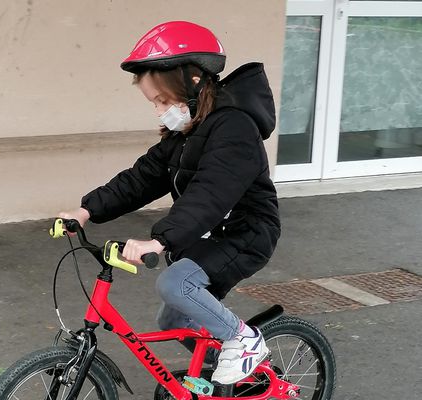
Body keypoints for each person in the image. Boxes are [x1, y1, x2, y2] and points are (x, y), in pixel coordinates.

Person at [59, 20, 281, 385]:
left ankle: (243, 341)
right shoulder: (188, 131)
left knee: (175, 285)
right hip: (210, 234)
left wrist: (160, 240)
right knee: (174, 320)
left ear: (193, 83)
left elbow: (209, 194)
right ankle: (239, 379)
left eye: (163, 100)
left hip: (246, 233)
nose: (159, 110)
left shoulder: (235, 129)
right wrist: (86, 210)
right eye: (153, 102)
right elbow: (141, 178)